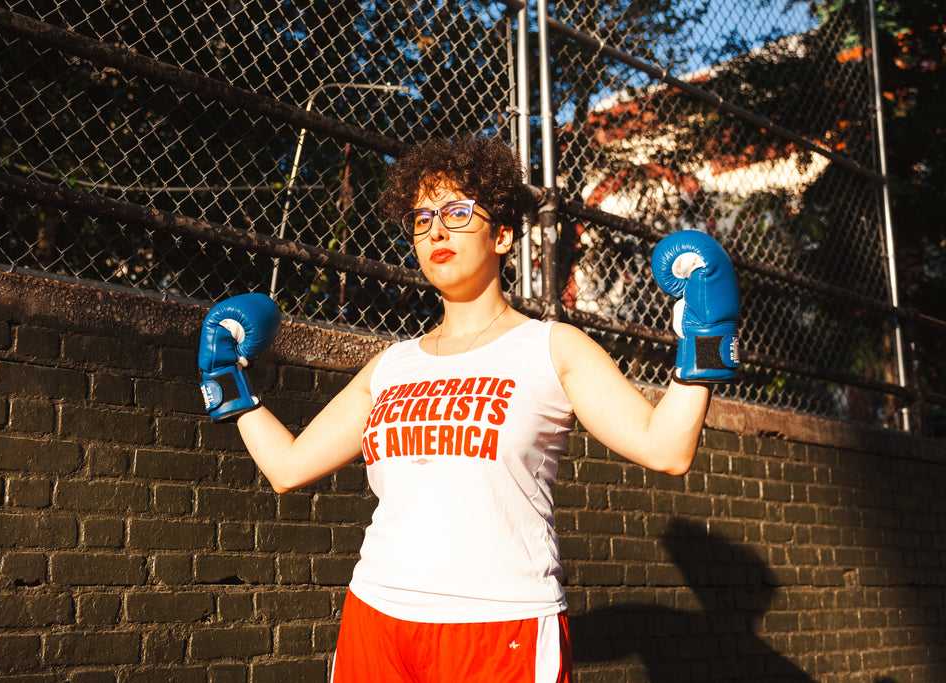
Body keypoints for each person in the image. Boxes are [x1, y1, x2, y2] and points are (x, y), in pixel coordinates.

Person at [196, 136, 740, 682]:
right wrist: (226, 380)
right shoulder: (391, 365)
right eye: (422, 218)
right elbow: (288, 467)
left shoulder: (552, 347)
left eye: (457, 212)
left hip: (501, 625)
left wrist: (707, 340)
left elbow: (666, 449)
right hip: (376, 616)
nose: (436, 231)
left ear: (502, 235)